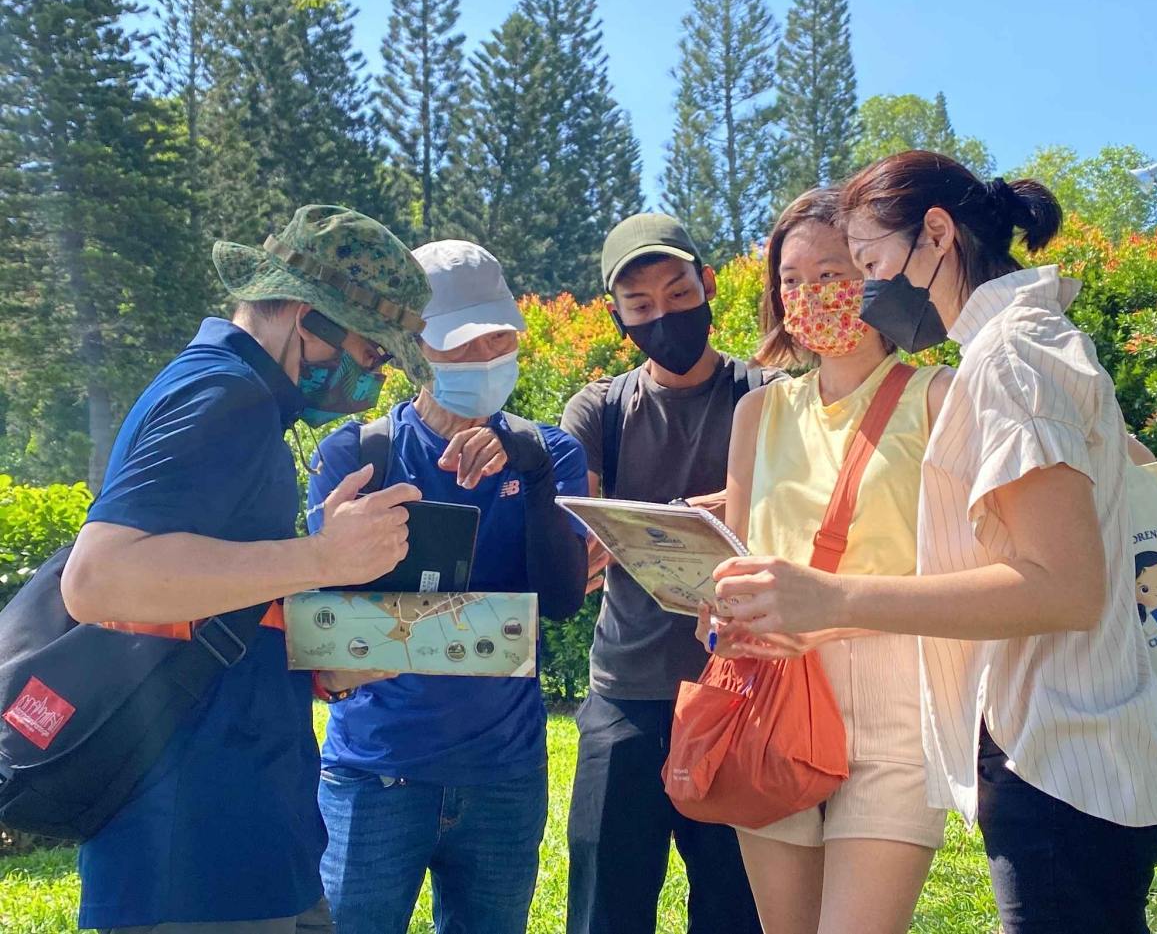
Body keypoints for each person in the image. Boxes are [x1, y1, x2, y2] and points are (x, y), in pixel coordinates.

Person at [713, 151, 1157, 934]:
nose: (861, 289)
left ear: (936, 235)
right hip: (1036, 743)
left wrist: (833, 598)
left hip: (1042, 746)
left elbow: (1062, 581)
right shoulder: (1018, 347)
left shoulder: (1000, 362)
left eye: (863, 265)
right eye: (793, 280)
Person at [59, 205, 434, 934]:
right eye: (371, 351)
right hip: (193, 854)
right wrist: (321, 556)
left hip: (246, 837)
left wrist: (331, 657)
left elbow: (206, 603)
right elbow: (97, 579)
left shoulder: (241, 395)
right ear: (306, 314)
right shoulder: (222, 394)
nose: (374, 375)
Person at [305, 239, 589, 934]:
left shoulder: (550, 454)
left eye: (499, 338)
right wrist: (494, 626)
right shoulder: (356, 457)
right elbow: (325, 630)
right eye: (460, 344)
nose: (486, 357)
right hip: (374, 772)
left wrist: (534, 473)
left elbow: (558, 603)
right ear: (412, 350)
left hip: (504, 775)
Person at [698, 189, 953, 934]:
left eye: (832, 273)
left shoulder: (939, 397)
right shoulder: (759, 411)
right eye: (792, 280)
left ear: (875, 274)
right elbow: (735, 559)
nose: (809, 294)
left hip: (894, 700)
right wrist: (710, 605)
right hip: (769, 689)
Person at [560, 213, 772, 934]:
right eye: (640, 305)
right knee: (605, 907)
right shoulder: (599, 410)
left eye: (679, 294)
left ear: (708, 285)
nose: (663, 316)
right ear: (617, 317)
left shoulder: (766, 395)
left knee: (737, 909)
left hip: (743, 691)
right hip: (626, 692)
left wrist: (711, 511)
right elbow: (578, 544)